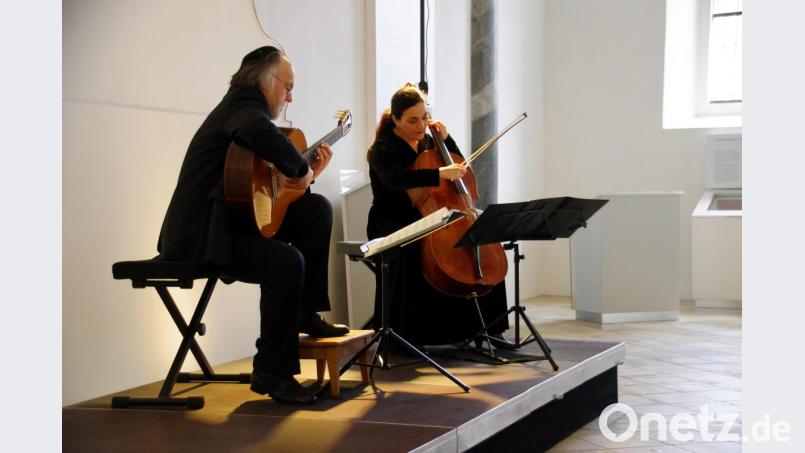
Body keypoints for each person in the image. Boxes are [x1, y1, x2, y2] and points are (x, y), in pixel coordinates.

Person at [157, 46, 348, 405]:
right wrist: (300, 168)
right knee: (286, 262)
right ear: (265, 79)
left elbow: (253, 184)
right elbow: (261, 133)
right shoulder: (244, 107)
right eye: (287, 86)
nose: (290, 96)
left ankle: (306, 312)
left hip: (229, 224)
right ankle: (273, 372)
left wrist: (303, 180)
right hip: (201, 237)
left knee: (316, 209)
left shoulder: (242, 111)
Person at [365, 84, 509, 347]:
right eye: (413, 120)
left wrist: (447, 140)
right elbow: (396, 180)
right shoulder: (383, 148)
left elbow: (461, 169)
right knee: (413, 250)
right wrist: (439, 174)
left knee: (483, 238)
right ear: (395, 119)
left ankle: (489, 327)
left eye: (424, 117)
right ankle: (412, 337)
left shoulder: (430, 142)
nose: (421, 125)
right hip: (393, 220)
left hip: (436, 216)